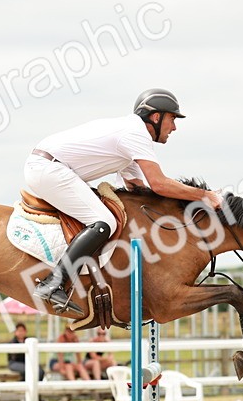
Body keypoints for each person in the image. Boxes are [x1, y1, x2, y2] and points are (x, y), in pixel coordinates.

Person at [24, 88, 224, 316]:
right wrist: (204, 196)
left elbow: (137, 187)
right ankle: (53, 283)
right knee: (103, 221)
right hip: (48, 169)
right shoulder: (135, 134)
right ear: (156, 117)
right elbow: (158, 184)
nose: (174, 127)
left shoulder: (131, 135)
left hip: (50, 166)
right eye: (172, 119)